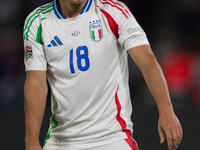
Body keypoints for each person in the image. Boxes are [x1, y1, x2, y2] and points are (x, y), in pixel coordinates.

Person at [23, 0, 183, 150]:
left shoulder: (113, 12)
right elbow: (36, 83)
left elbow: (147, 62)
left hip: (112, 138)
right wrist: (31, 140)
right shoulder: (37, 22)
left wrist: (166, 110)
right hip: (61, 140)